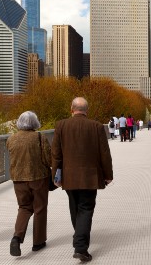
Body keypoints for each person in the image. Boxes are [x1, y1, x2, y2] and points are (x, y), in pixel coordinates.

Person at [52, 97, 113, 262]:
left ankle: (79, 238)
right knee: (85, 209)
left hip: (69, 176)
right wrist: (108, 175)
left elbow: (56, 154)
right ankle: (80, 247)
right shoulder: (96, 126)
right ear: (87, 110)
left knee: (75, 208)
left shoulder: (61, 125)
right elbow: (104, 154)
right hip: (89, 177)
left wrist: (55, 176)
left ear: (72, 108)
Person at [6, 111, 51, 256]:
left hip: (18, 180)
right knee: (39, 208)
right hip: (38, 178)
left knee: (24, 208)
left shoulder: (11, 139)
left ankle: (17, 237)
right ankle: (38, 242)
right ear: (35, 123)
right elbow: (48, 159)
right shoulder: (39, 137)